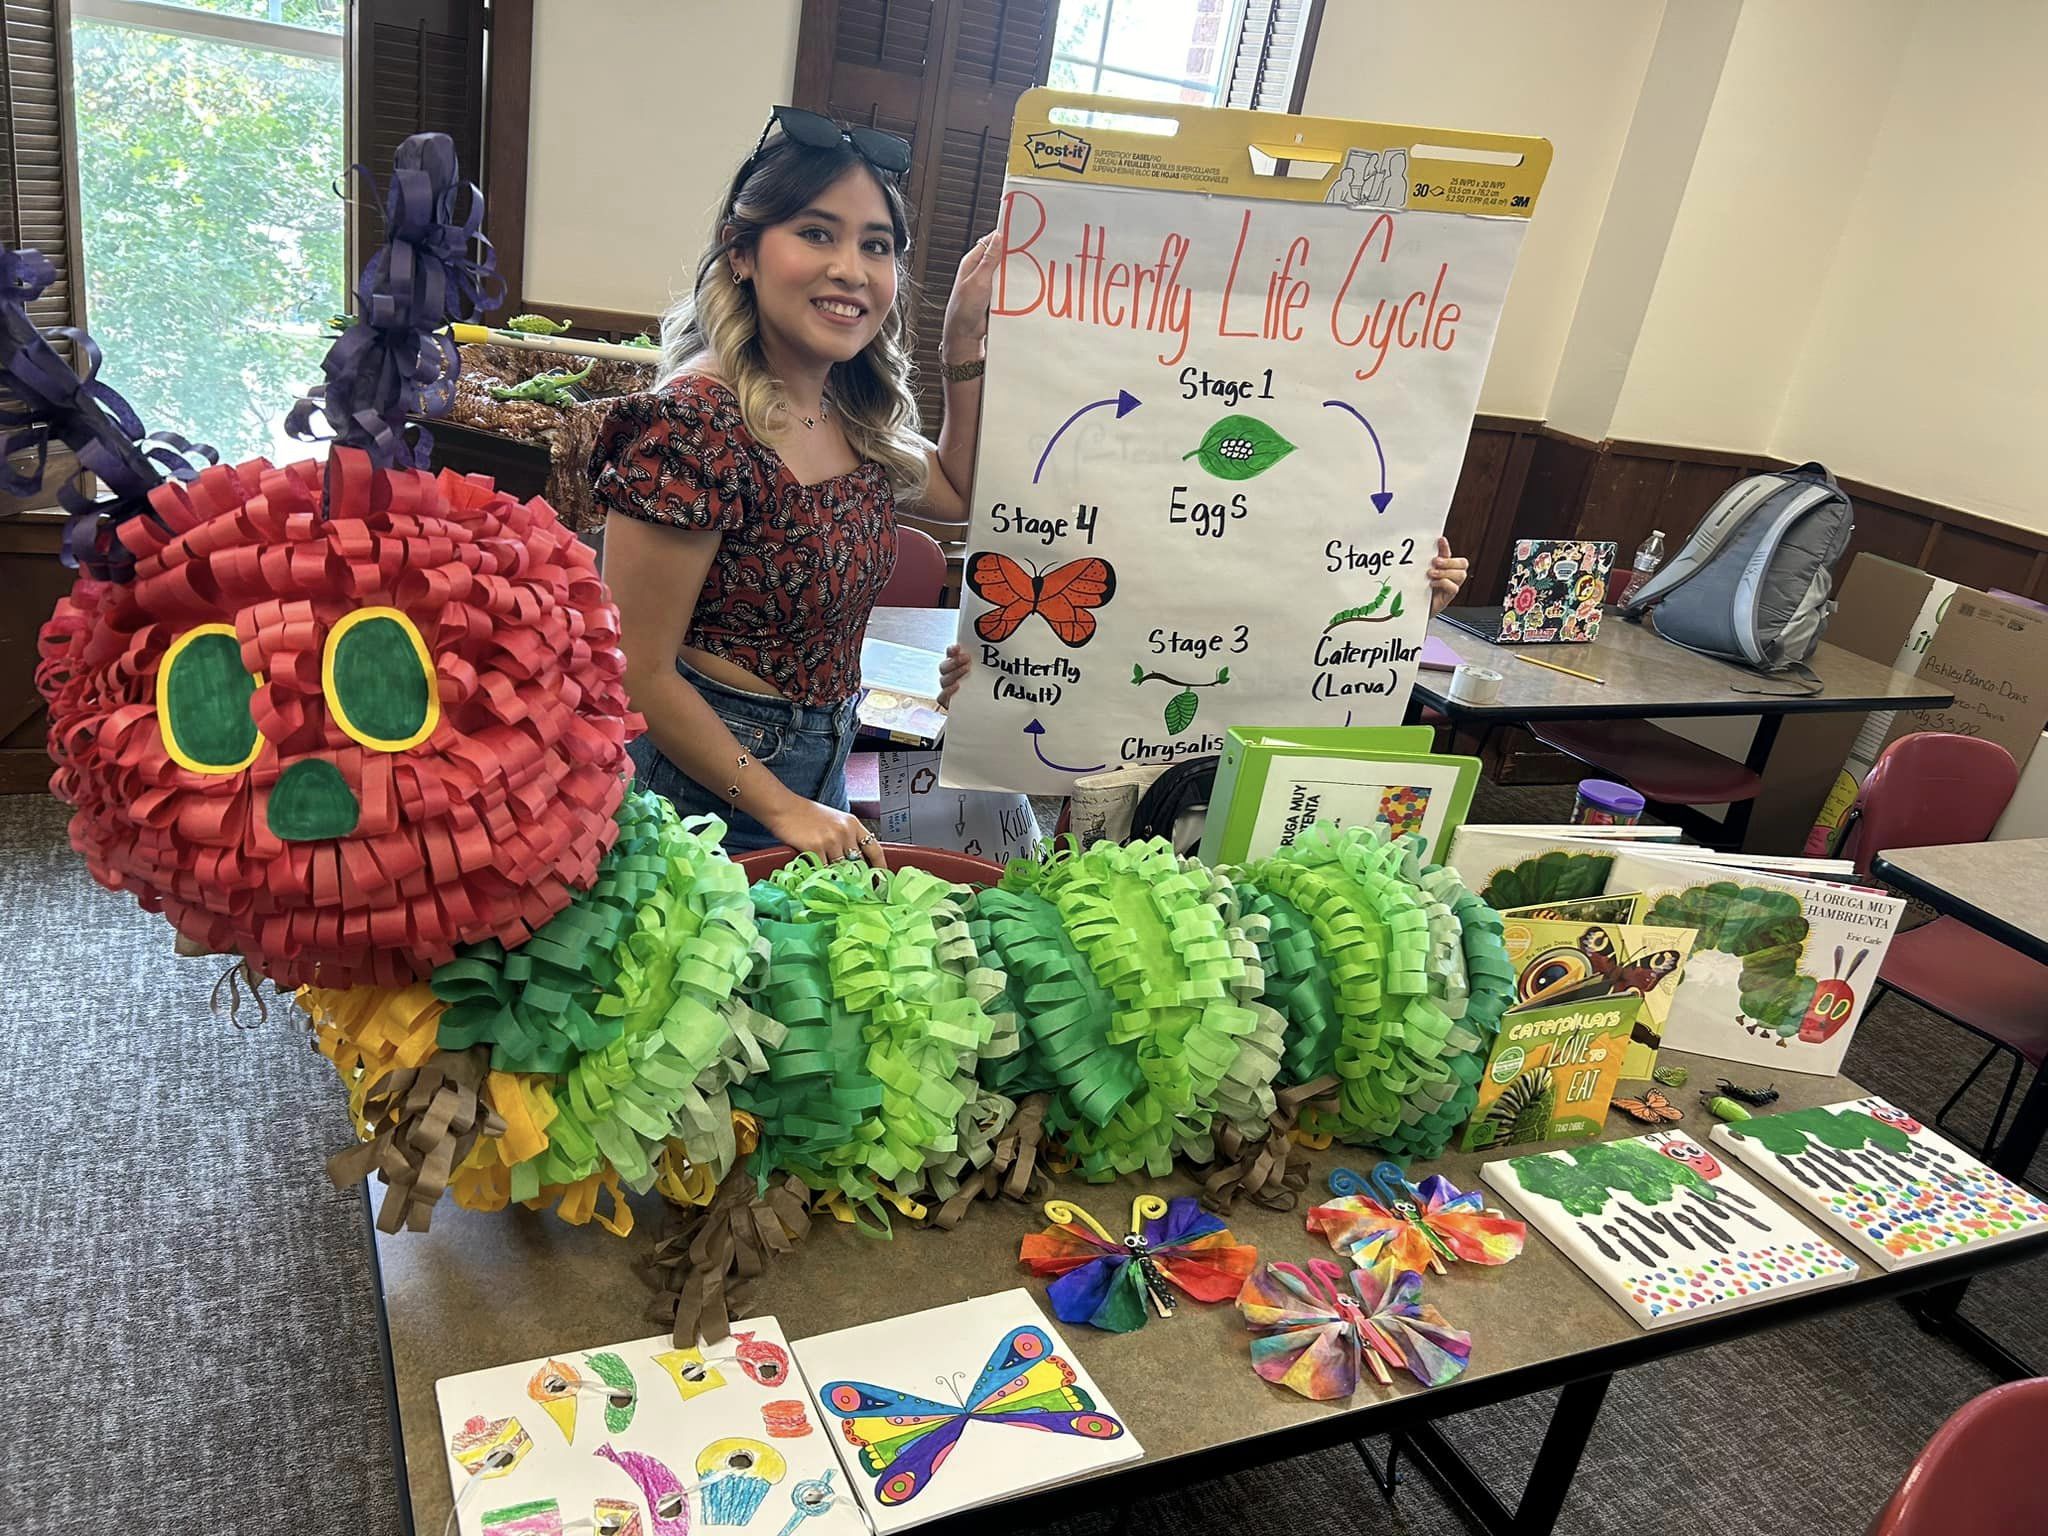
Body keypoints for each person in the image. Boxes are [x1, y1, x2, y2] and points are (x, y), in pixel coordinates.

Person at [592, 107, 992, 866]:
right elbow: (635, 670)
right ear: (740, 253)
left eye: (876, 246)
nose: (851, 268)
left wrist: (960, 343)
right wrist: (786, 809)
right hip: (698, 803)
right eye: (816, 233)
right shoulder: (690, 424)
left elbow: (958, 491)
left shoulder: (847, 408)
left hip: (820, 776)